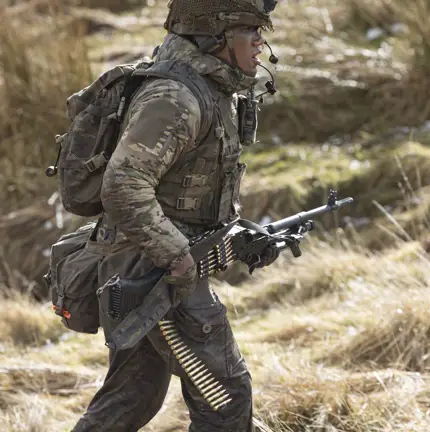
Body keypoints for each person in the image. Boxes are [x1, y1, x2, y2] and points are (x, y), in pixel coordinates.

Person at [70, 0, 280, 430]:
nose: (261, 41)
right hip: (153, 273)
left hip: (145, 264)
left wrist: (241, 236)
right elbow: (124, 185)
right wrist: (177, 257)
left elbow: (184, 193)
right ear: (214, 36)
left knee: (133, 395)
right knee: (226, 399)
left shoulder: (207, 88)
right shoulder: (176, 97)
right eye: (249, 29)